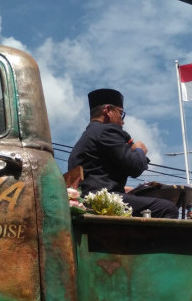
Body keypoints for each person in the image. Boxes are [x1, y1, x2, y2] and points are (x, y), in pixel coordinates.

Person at [68, 88, 179, 218]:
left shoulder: (87, 136)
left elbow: (99, 175)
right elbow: (135, 167)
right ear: (108, 110)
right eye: (121, 113)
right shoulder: (107, 131)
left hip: (87, 199)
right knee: (168, 208)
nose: (122, 121)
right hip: (101, 201)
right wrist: (139, 150)